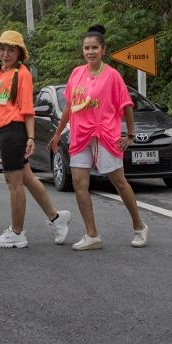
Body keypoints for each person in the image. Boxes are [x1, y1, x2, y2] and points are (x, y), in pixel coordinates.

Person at [49, 25, 148, 250]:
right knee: (79, 183)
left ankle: (139, 227)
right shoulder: (77, 73)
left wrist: (130, 135)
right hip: (80, 134)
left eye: (95, 48)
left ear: (103, 50)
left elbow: (127, 106)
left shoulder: (112, 75)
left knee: (119, 182)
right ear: (82, 51)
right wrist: (57, 134)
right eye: (86, 48)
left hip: (105, 133)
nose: (90, 51)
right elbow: (69, 108)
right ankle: (92, 234)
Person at [0, 30, 71, 249]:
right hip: (1, 131)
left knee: (14, 184)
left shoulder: (22, 75)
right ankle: (57, 218)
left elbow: (27, 110)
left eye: (11, 50)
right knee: (28, 179)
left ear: (19, 53)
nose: (5, 54)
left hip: (14, 131)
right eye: (2, 49)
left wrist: (31, 137)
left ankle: (17, 232)